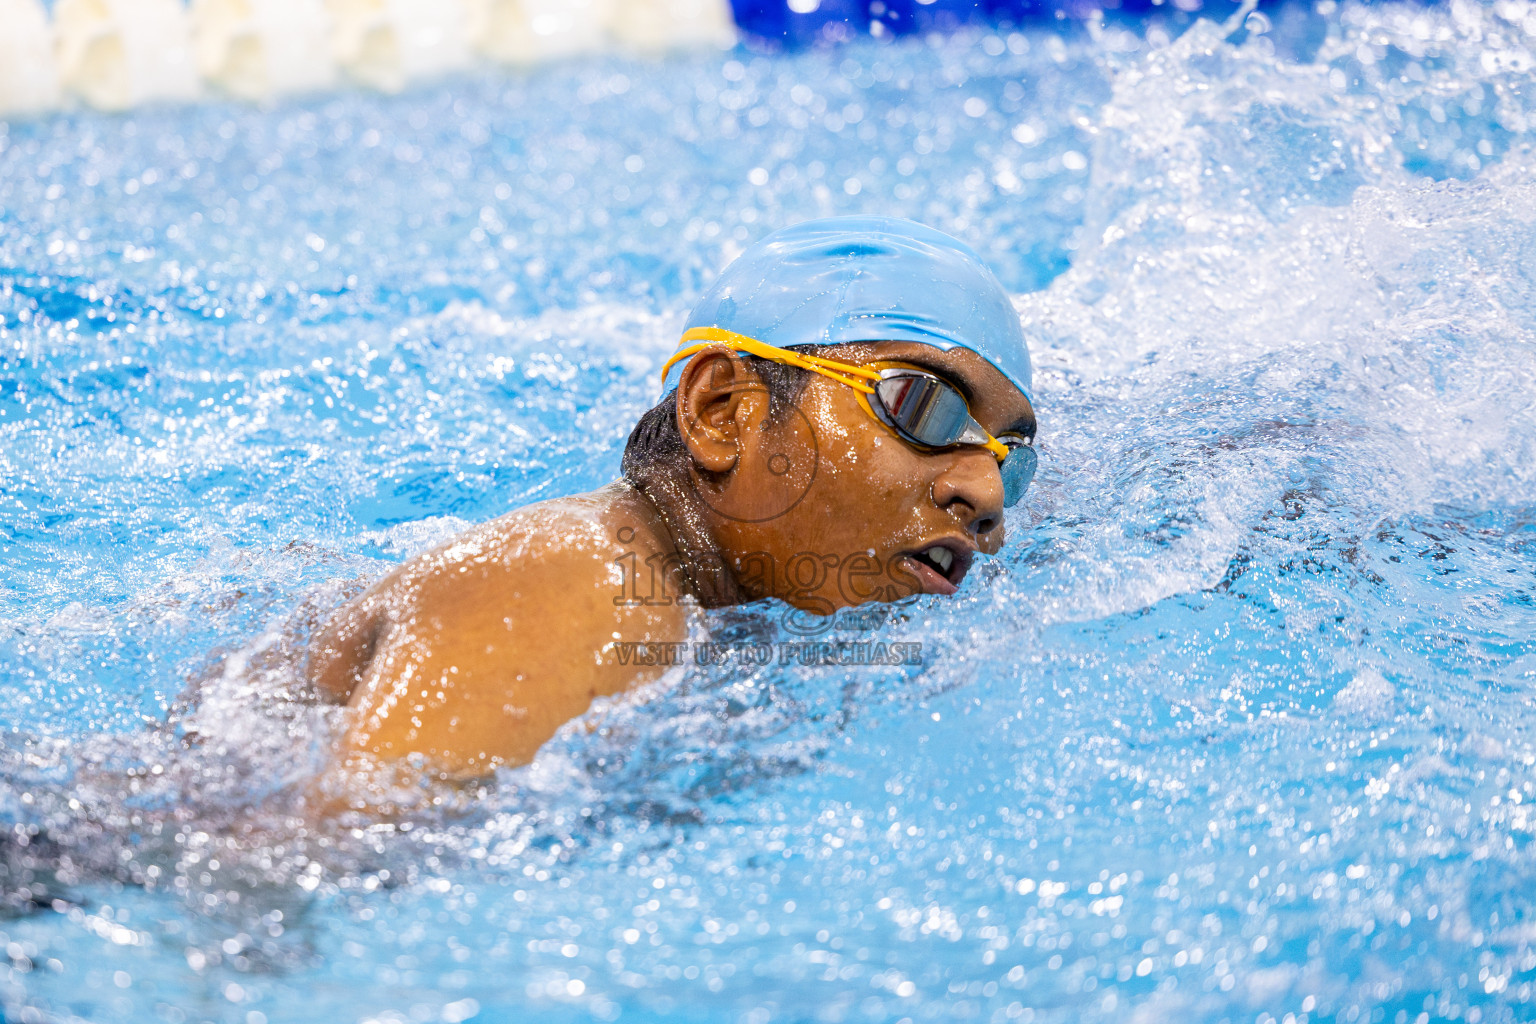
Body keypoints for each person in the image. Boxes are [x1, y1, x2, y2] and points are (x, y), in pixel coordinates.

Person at [305, 216, 1038, 797]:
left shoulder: (701, 611)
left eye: (1013, 456)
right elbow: (305, 863)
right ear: (721, 412)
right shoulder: (581, 583)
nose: (986, 494)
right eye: (922, 404)